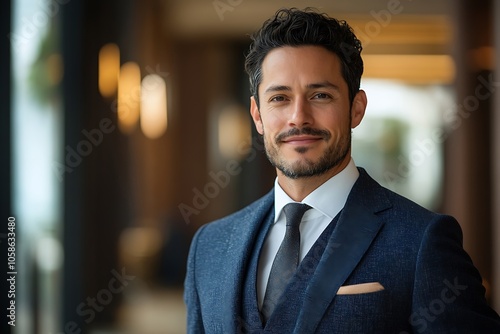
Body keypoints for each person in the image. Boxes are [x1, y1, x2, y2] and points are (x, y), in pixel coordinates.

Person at [184, 7, 500, 333]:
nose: (299, 118)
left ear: (356, 109)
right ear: (258, 115)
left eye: (320, 95)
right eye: (279, 98)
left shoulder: (422, 242)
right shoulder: (209, 246)